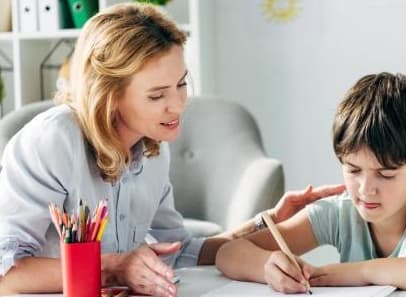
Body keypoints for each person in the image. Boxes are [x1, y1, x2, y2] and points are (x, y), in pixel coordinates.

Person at [0, 3, 345, 297]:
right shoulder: (53, 142)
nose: (178, 105)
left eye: (181, 84)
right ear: (108, 95)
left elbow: (178, 251)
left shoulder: (152, 150)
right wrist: (117, 267)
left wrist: (264, 223)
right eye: (156, 95)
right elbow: (7, 274)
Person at [216, 72, 406, 295]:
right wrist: (269, 267)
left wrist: (361, 272)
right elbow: (229, 253)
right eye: (353, 170)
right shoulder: (339, 212)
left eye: (386, 174)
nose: (366, 189)